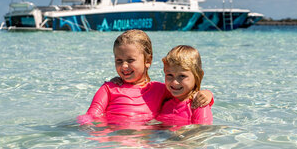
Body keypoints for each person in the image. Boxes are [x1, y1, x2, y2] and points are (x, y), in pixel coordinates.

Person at [77, 30, 212, 126]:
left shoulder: (160, 89)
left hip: (146, 143)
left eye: (130, 60)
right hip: (113, 138)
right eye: (119, 60)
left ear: (148, 60)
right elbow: (92, 114)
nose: (124, 66)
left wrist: (208, 94)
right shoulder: (109, 88)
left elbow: (184, 97)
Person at [156, 45, 213, 126]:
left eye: (182, 76)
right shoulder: (165, 101)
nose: (175, 82)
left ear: (198, 76)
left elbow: (203, 132)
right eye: (169, 75)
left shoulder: (198, 105)